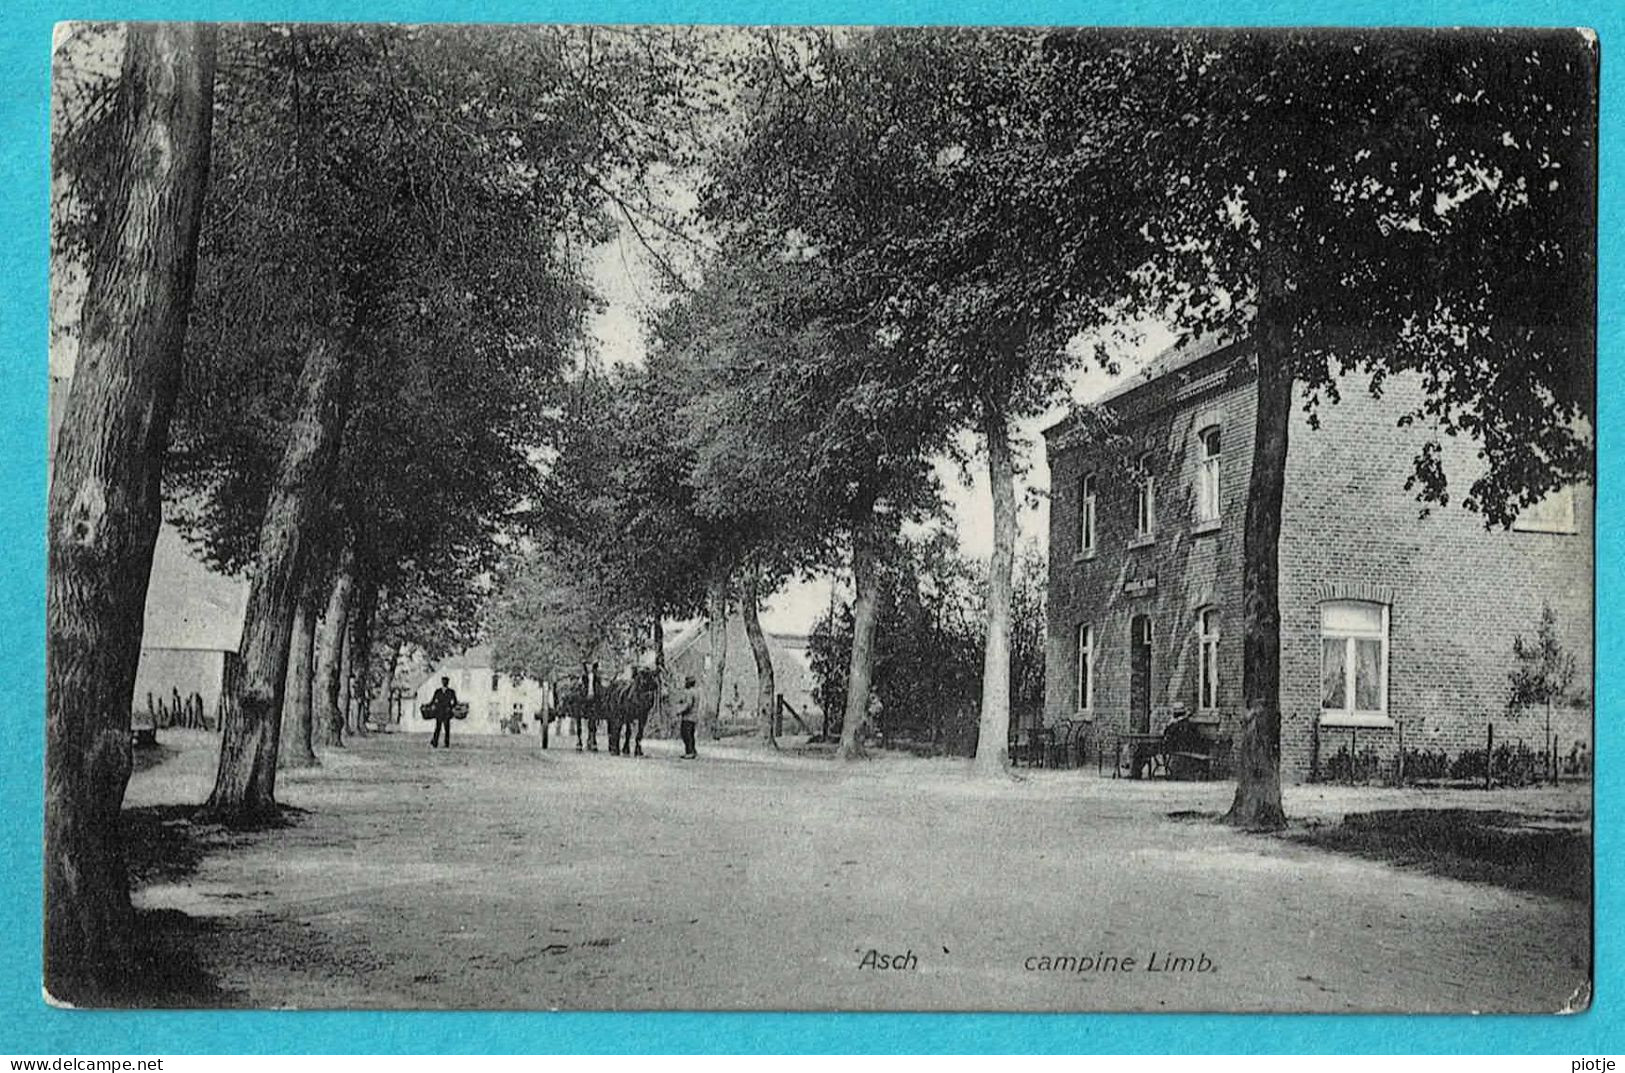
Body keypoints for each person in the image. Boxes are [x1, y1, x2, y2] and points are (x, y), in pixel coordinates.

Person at [671, 674, 698, 759]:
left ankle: (689, 752)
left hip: (688, 717)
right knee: (691, 735)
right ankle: (693, 751)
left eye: (686, 682)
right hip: (694, 717)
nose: (685, 683)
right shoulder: (697, 692)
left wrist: (679, 711)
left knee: (685, 734)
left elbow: (688, 704)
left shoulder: (689, 692)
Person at [429, 676, 459, 749]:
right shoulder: (438, 691)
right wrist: (429, 705)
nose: (444, 683)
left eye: (445, 681)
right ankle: (435, 742)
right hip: (439, 711)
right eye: (443, 681)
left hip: (446, 712)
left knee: (447, 728)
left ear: (448, 683)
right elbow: (433, 701)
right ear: (441, 682)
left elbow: (455, 702)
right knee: (438, 728)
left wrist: (450, 707)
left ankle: (446, 743)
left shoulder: (451, 692)